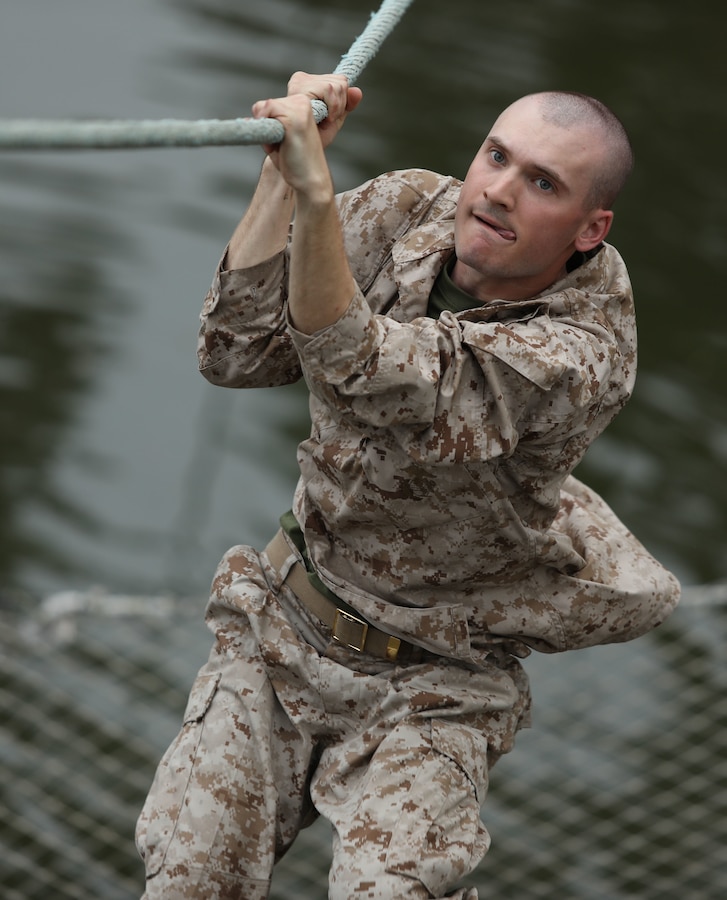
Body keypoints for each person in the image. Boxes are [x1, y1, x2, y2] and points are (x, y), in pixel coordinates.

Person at [136, 72, 679, 899]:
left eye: (542, 184)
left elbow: (368, 370)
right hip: (286, 622)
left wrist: (316, 209)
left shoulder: (582, 355)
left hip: (437, 679)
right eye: (496, 156)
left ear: (588, 229)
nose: (496, 191)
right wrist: (282, 178)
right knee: (187, 881)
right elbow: (236, 352)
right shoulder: (404, 210)